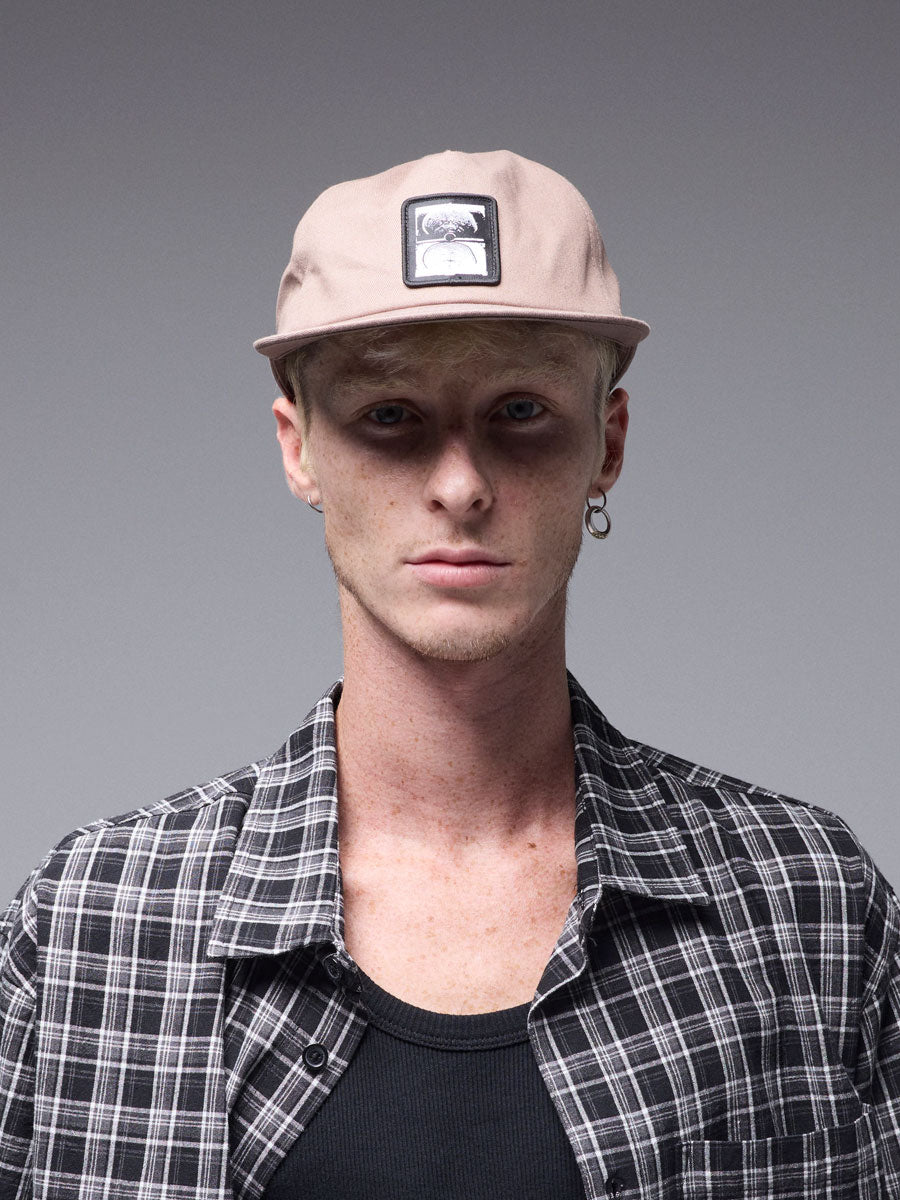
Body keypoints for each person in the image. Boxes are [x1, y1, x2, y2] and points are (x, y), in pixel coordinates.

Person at [1, 149, 898, 1200]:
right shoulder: (99, 922)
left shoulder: (805, 903)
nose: (461, 485)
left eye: (520, 411)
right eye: (390, 415)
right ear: (300, 451)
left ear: (607, 445)